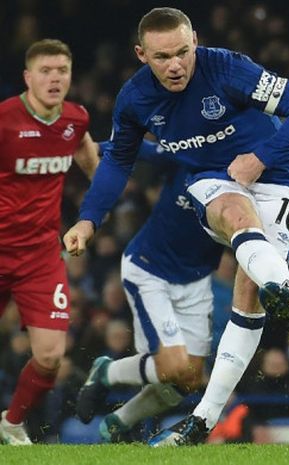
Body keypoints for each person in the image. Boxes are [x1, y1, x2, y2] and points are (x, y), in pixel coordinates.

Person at [61, 7, 289, 445]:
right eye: (163, 56)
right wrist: (89, 220)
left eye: (183, 52)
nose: (176, 65)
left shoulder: (228, 68)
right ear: (141, 55)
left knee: (249, 296)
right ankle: (285, 287)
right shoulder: (134, 100)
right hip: (214, 182)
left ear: (196, 43)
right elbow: (118, 163)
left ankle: (201, 422)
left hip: (280, 180)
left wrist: (260, 156)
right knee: (234, 214)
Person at [74, 140, 224, 443]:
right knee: (172, 368)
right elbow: (138, 148)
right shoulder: (191, 155)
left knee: (189, 380)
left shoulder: (251, 178)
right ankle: (106, 372)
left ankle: (119, 421)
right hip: (149, 269)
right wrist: (89, 143)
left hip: (195, 280)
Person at [0, 38, 99, 445]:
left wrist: (93, 215)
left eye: (62, 70)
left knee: (50, 356)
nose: (55, 78)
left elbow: (94, 167)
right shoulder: (4, 120)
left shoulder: (75, 120)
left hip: (41, 255)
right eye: (46, 70)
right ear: (28, 77)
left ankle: (11, 422)